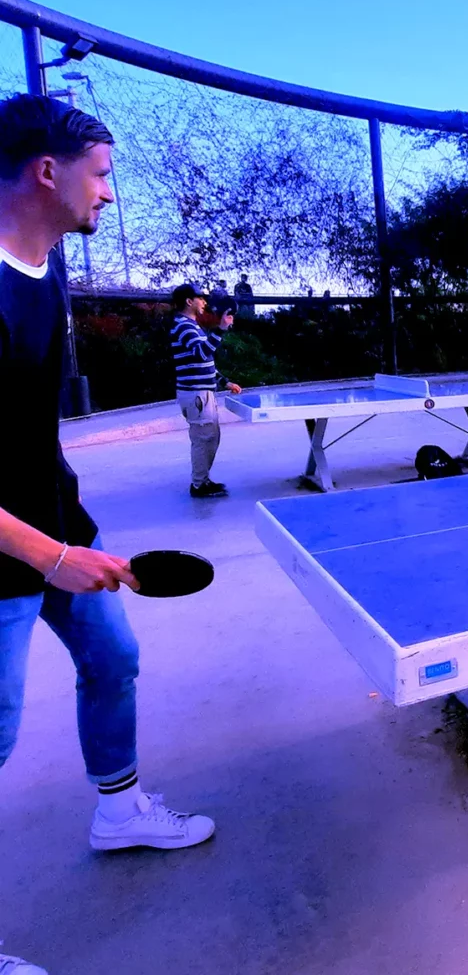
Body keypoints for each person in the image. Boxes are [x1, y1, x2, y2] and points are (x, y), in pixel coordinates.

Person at [0, 93, 214, 970]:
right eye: (103, 175)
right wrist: (48, 556)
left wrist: (76, 531)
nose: (111, 195)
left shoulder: (43, 267)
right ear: (48, 172)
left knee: (113, 658)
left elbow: (25, 433)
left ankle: (119, 810)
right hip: (11, 557)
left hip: (52, 530)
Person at [170, 283, 241, 498]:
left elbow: (204, 361)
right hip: (196, 395)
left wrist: (224, 382)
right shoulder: (184, 326)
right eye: (200, 298)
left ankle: (203, 480)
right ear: (189, 301)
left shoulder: (191, 325)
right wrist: (220, 328)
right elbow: (202, 353)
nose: (204, 302)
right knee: (203, 439)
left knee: (211, 437)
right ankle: (199, 485)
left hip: (202, 393)